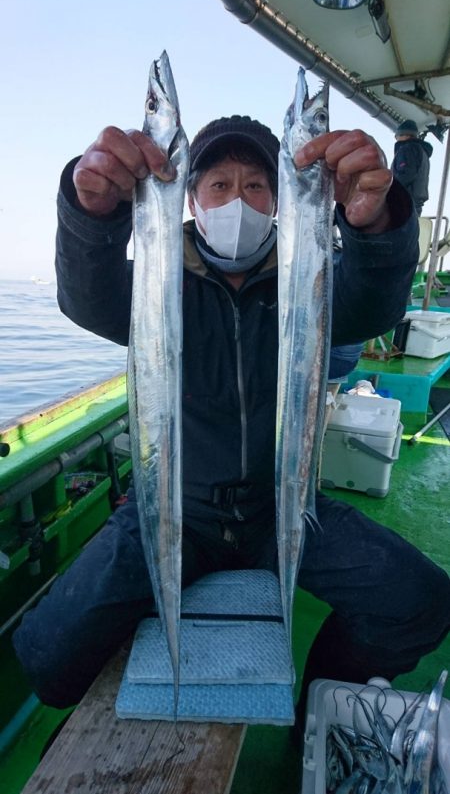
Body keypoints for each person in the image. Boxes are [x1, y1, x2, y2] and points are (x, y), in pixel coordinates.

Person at [13, 115, 449, 751]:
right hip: (174, 509)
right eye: (218, 184)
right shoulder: (159, 277)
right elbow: (88, 295)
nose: (237, 200)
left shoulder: (311, 276)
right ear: (191, 198)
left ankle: (319, 706)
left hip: (284, 507)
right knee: (47, 654)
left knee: (422, 603)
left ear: (279, 200)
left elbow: (374, 303)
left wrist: (376, 224)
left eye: (255, 186)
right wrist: (91, 214)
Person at [392, 119, 433, 215]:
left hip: (403, 201)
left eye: (397, 136)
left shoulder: (408, 148)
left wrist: (389, 189)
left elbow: (405, 174)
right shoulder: (422, 152)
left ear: (403, 134)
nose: (396, 139)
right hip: (416, 204)